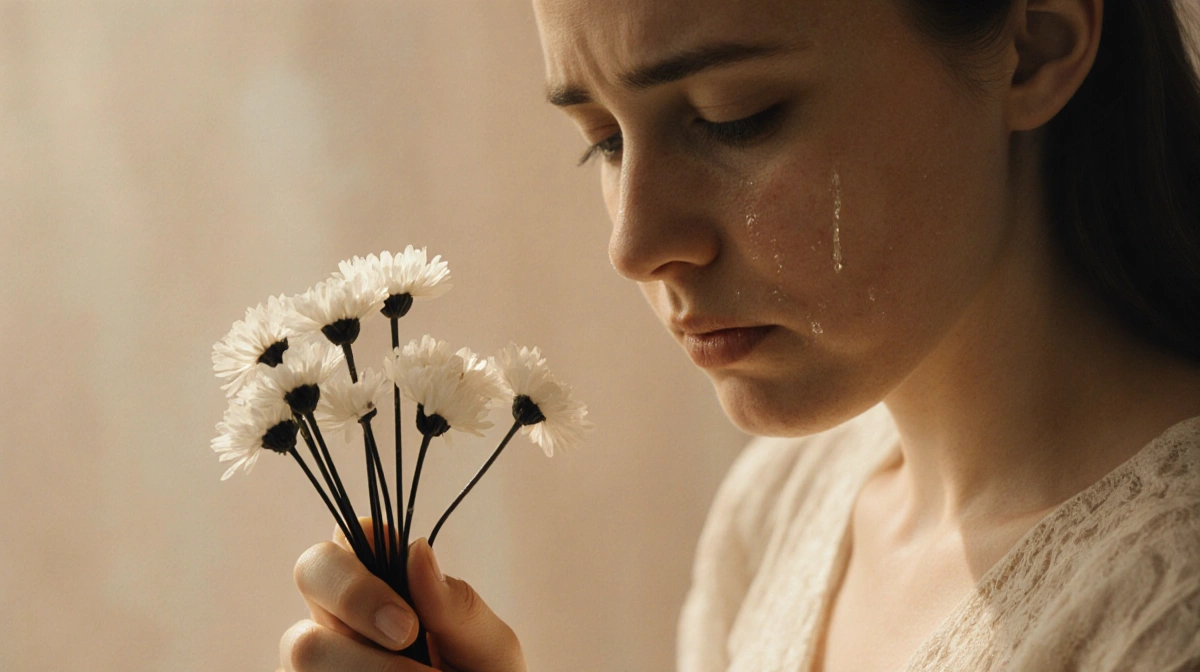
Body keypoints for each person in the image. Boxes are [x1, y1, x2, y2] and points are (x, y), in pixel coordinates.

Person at [277, 0, 1200, 669]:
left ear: (1033, 44)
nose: (633, 245)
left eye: (733, 117)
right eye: (603, 140)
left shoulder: (1167, 611)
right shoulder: (783, 509)